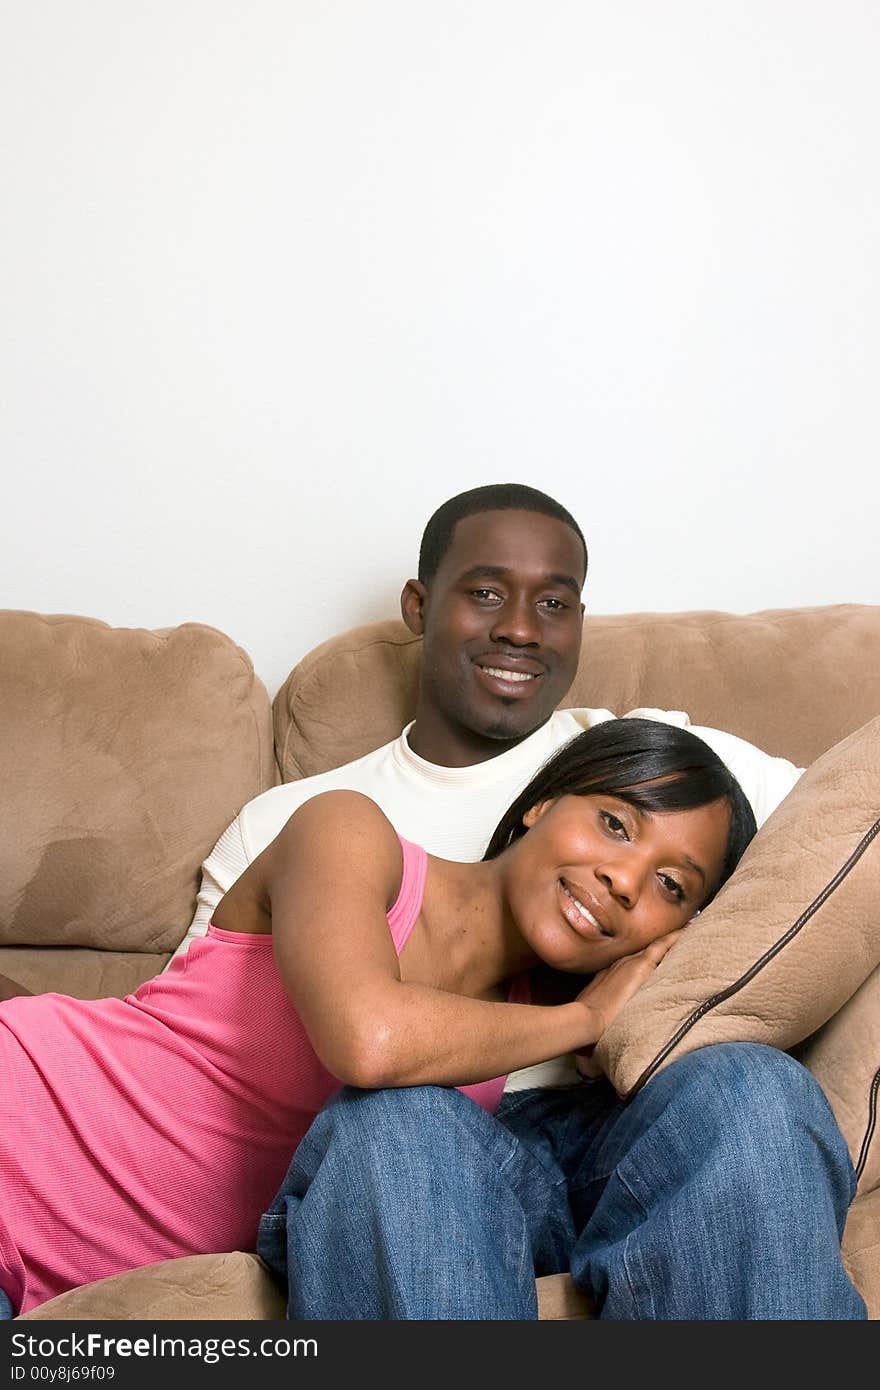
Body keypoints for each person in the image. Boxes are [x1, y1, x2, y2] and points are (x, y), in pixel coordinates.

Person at [0, 718, 756, 1317]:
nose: (623, 881)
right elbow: (367, 1039)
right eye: (616, 824)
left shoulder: (509, 1042)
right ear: (541, 803)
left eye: (669, 885)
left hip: (65, 1273)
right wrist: (588, 1016)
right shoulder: (351, 834)